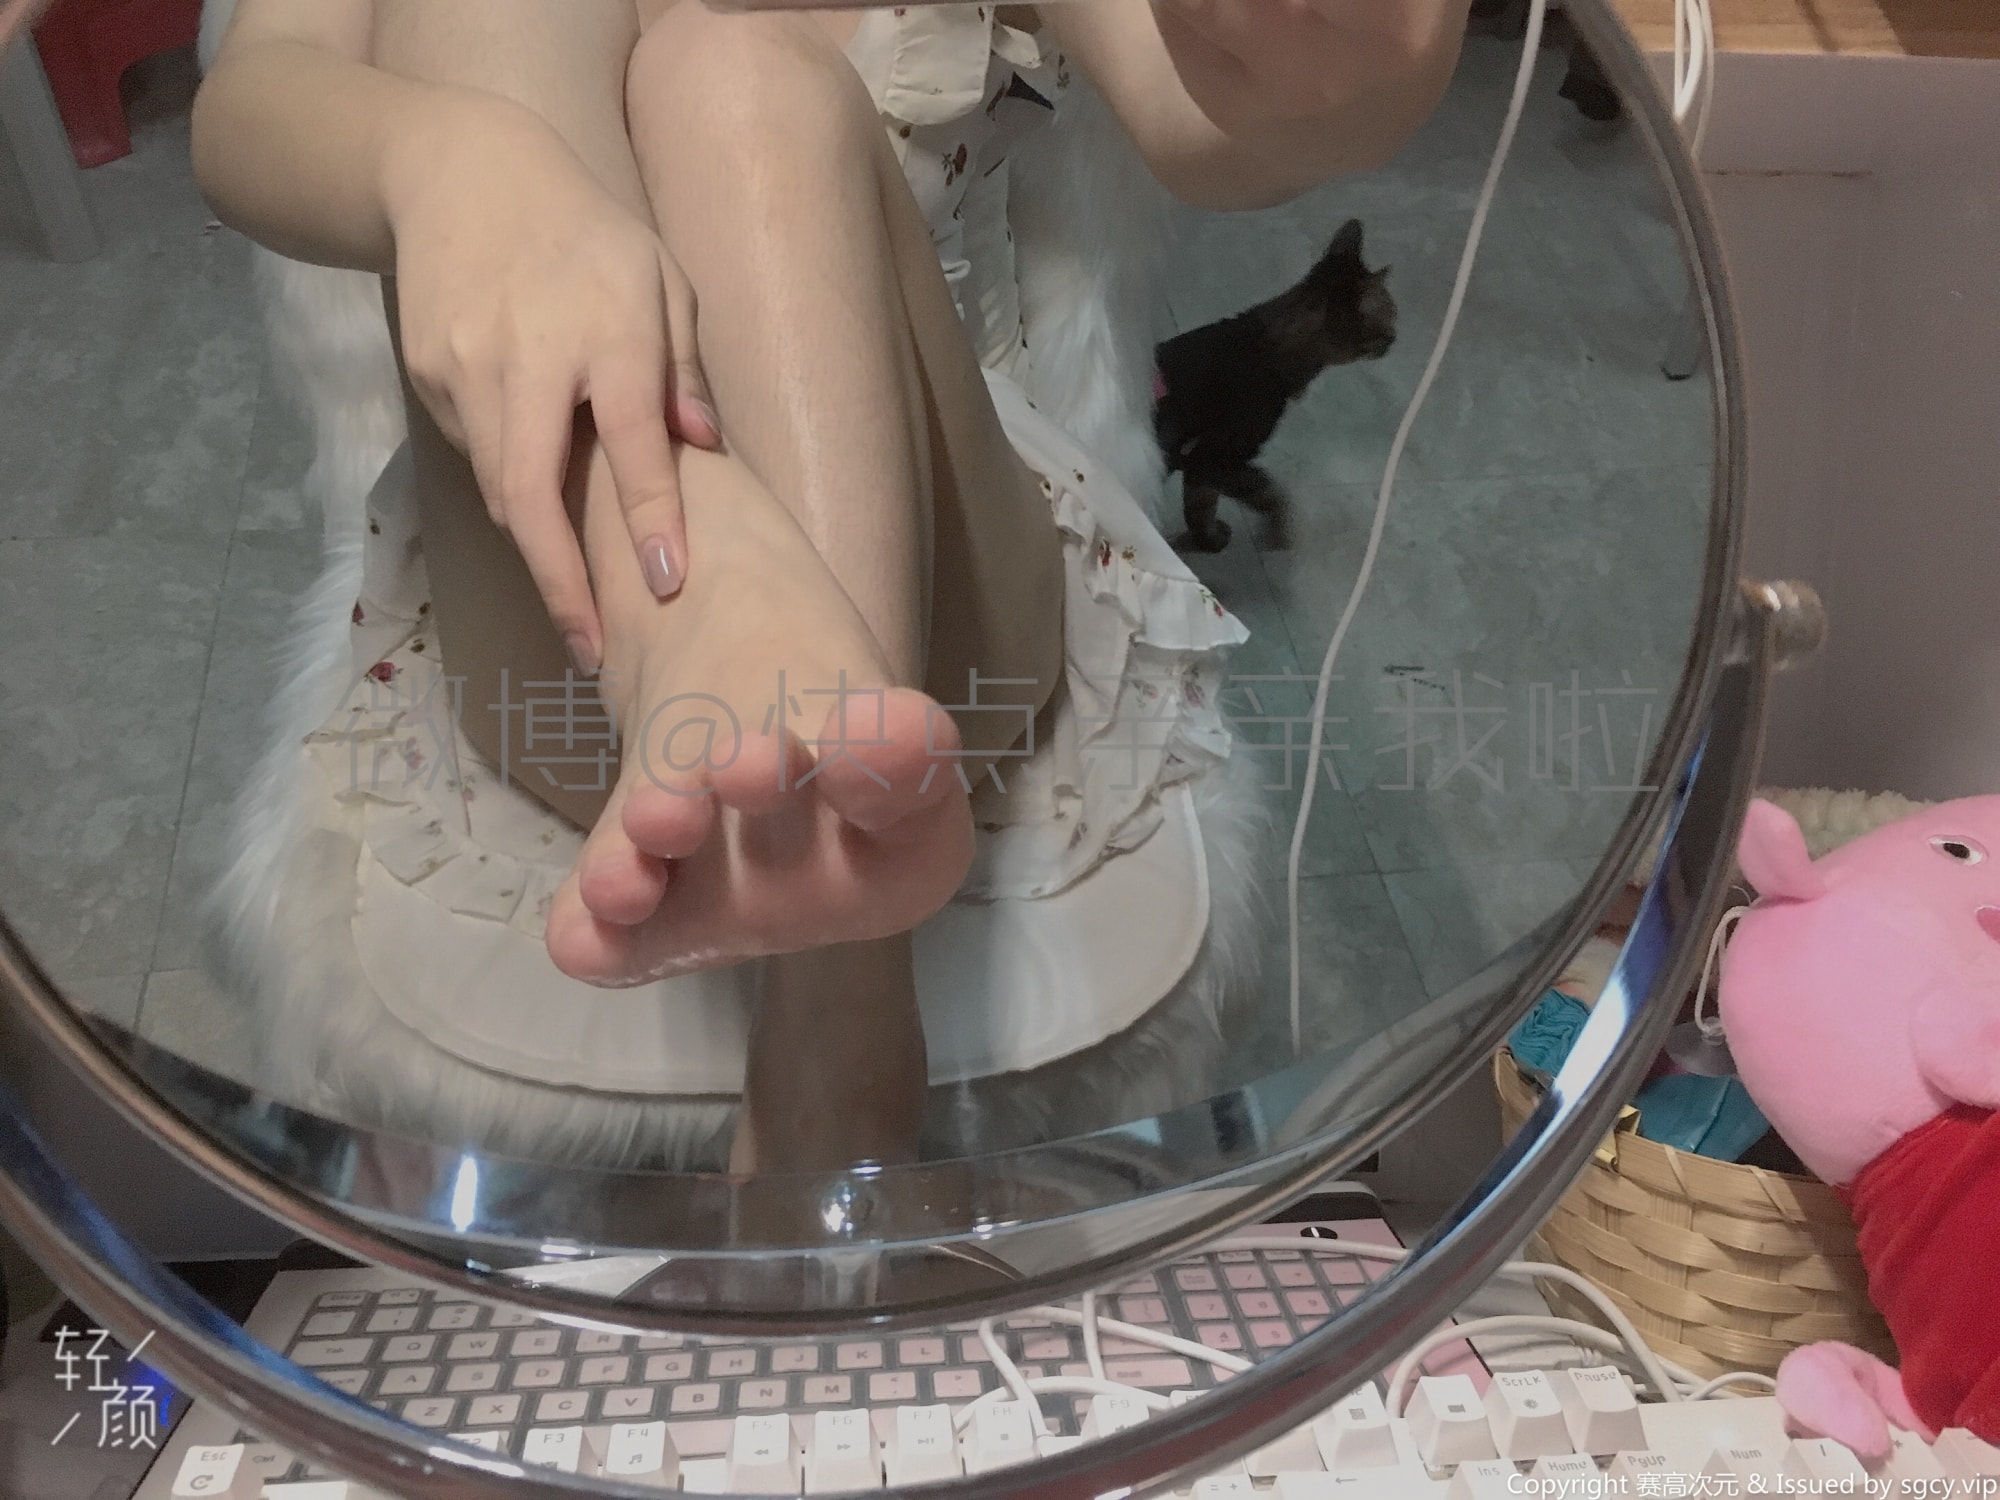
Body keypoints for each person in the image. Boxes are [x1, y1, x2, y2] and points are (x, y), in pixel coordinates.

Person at [189, 0, 1467, 1170]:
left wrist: (1342, 70)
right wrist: (439, 158)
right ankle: (693, 612)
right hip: (567, 616)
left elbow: (1207, 117)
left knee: (737, 77)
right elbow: (256, 97)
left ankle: (840, 991)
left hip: (931, 574)